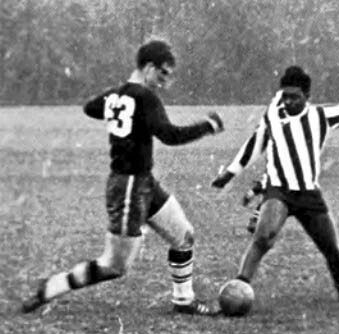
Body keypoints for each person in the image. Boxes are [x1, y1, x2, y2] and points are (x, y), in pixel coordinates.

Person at [22, 39, 225, 315]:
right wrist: (207, 126)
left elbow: (90, 107)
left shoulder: (121, 94)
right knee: (114, 265)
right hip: (129, 186)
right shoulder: (145, 97)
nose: (166, 81)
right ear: (149, 67)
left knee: (184, 236)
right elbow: (170, 136)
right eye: (163, 73)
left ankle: (184, 300)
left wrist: (118, 101)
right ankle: (52, 287)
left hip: (143, 182)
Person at [211, 62, 339, 303]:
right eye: (285, 97)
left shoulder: (321, 116)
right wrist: (231, 172)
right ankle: (240, 286)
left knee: (331, 248)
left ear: (308, 97)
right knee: (263, 236)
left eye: (295, 98)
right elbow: (256, 142)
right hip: (279, 191)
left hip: (308, 194)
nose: (289, 102)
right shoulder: (274, 114)